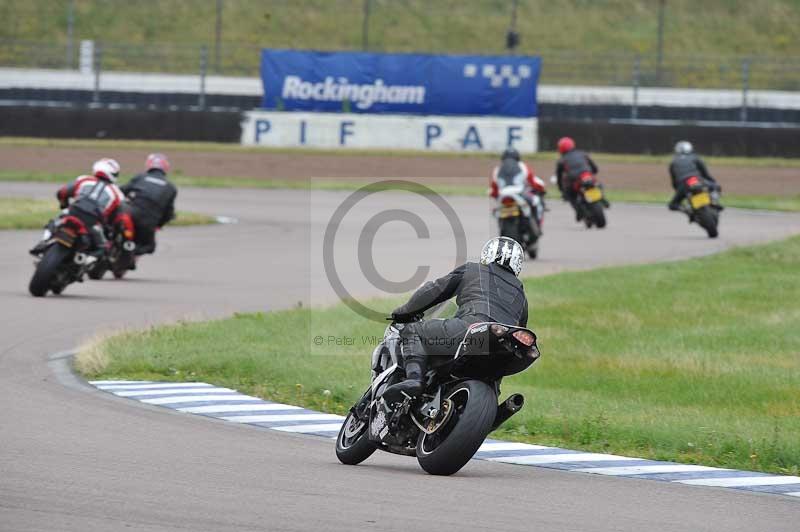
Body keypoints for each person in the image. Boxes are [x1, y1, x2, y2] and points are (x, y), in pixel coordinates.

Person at [382, 237, 529, 400]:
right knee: (497, 366)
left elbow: (434, 291)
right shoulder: (521, 295)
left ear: (487, 254)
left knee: (412, 331)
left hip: (472, 327)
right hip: (502, 348)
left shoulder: (473, 269)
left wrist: (403, 312)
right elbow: (520, 328)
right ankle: (494, 400)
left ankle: (414, 380)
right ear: (517, 265)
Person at [32, 158, 130, 257]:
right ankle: (87, 259)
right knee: (104, 249)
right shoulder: (117, 192)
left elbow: (62, 192)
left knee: (54, 223)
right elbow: (120, 216)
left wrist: (64, 205)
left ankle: (44, 241)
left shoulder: (84, 179)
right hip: (93, 222)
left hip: (73, 212)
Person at [120, 153, 178, 261]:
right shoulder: (171, 188)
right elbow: (168, 213)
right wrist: (159, 225)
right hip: (148, 222)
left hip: (130, 213)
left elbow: (121, 191)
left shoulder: (140, 177)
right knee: (150, 247)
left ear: (149, 165)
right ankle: (131, 254)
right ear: (166, 167)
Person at [489, 148, 547, 232]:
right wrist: (541, 188)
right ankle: (538, 225)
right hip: (519, 193)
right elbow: (533, 181)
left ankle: (502, 226)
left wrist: (495, 195)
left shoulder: (497, 169)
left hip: (503, 195)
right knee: (536, 201)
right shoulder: (522, 166)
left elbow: (494, 189)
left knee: (497, 210)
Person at [554, 137, 603, 220]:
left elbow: (559, 177)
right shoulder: (583, 154)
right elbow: (595, 169)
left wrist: (561, 189)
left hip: (575, 180)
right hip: (587, 176)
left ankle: (579, 212)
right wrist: (592, 172)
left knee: (569, 195)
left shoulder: (561, 160)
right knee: (598, 184)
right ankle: (602, 198)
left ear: (560, 149)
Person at [668, 141, 722, 211]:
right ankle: (714, 201)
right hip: (695, 179)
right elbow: (705, 173)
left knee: (672, 205)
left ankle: (687, 209)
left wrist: (678, 191)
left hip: (683, 184)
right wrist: (712, 182)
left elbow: (674, 181)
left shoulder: (673, 162)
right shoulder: (695, 157)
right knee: (716, 187)